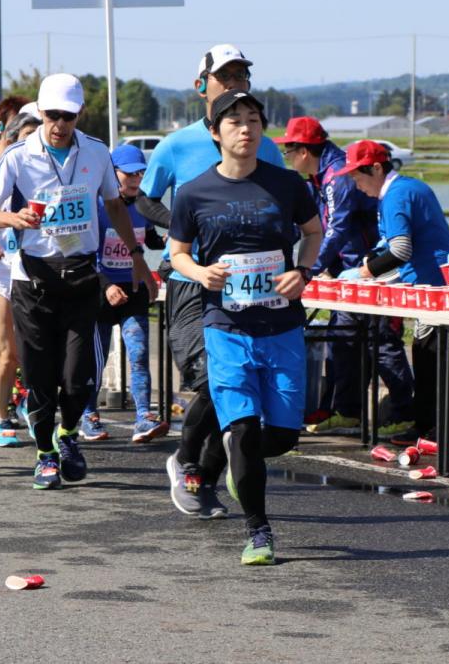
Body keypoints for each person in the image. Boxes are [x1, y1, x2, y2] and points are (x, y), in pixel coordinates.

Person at [0, 73, 155, 490]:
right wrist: (12, 218)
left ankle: (69, 434)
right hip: (32, 280)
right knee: (40, 377)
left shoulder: (95, 152)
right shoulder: (18, 156)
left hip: (80, 277)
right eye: (52, 115)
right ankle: (44, 455)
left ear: (79, 115)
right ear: (40, 113)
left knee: (79, 377)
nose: (59, 124)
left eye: (68, 116)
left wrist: (137, 258)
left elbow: (114, 204)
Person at [169, 90, 321, 565]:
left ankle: (229, 466)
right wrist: (199, 273)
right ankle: (259, 532)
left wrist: (304, 271)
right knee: (241, 428)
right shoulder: (194, 192)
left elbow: (314, 232)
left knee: (281, 436)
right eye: (234, 121)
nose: (245, 128)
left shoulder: (287, 184)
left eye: (253, 119)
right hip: (225, 325)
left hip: (281, 327)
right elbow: (177, 252)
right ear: (215, 132)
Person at [139, 43, 285, 519]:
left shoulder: (265, 145)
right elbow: (143, 199)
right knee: (211, 378)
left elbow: (285, 207)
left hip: (251, 283)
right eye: (225, 76)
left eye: (242, 74)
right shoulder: (177, 144)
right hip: (191, 277)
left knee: (242, 382)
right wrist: (185, 228)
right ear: (203, 86)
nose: (236, 83)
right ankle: (187, 462)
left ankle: (204, 470)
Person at [275, 117, 405, 436]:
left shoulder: (337, 177)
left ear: (305, 151)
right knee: (342, 341)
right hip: (345, 273)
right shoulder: (318, 177)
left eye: (289, 152)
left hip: (370, 270)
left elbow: (335, 230)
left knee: (383, 343)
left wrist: (307, 270)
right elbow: (306, 226)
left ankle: (407, 412)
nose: (289, 159)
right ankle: (346, 411)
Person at [339, 140, 449, 447]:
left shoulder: (396, 194)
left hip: (440, 287)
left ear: (377, 168)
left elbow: (400, 249)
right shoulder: (403, 189)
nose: (358, 187)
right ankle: (428, 428)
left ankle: (441, 432)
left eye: (358, 178)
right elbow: (395, 246)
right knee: (426, 358)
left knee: (433, 361)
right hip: (435, 284)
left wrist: (362, 273)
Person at [86, 144, 169, 443]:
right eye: (128, 173)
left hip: (132, 290)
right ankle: (88, 415)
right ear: (112, 173)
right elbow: (84, 255)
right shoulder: (97, 206)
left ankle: (144, 417)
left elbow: (150, 239)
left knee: (139, 353)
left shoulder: (144, 206)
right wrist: (106, 286)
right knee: (96, 359)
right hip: (100, 292)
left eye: (140, 173)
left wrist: (174, 237)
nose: (135, 179)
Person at [0, 110, 43, 446]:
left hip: (37, 273)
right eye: (25, 136)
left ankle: (35, 409)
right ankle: (1, 418)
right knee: (8, 355)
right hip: (4, 272)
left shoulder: (50, 174)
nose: (31, 143)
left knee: (37, 352)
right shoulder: (1, 171)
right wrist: (8, 221)